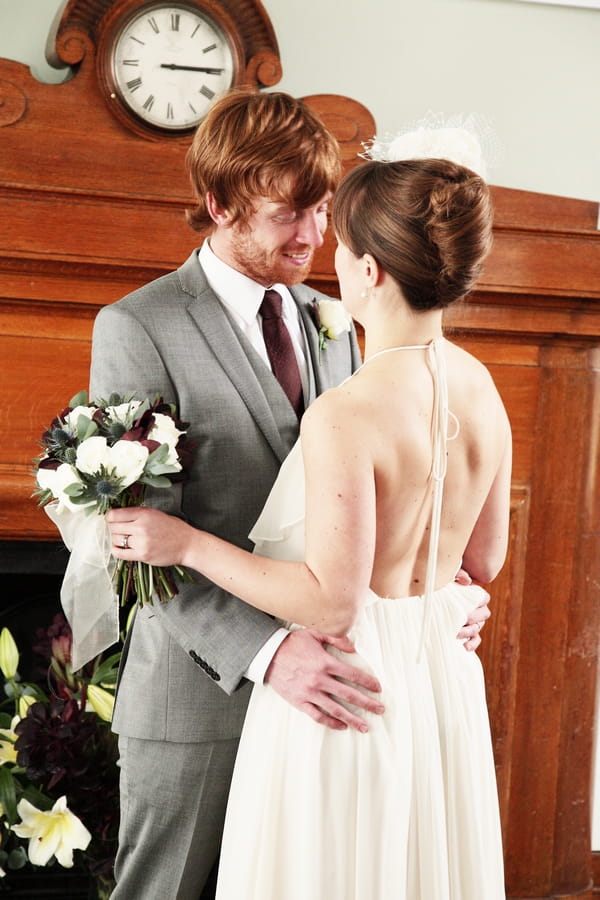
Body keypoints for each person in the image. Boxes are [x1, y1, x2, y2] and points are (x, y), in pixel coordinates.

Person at [95, 90, 491, 900]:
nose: (314, 237)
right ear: (219, 205)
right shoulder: (139, 327)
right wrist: (271, 655)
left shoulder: (343, 317)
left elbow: (390, 492)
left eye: (322, 211)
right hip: (199, 695)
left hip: (339, 705)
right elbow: (138, 543)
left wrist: (442, 591)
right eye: (290, 215)